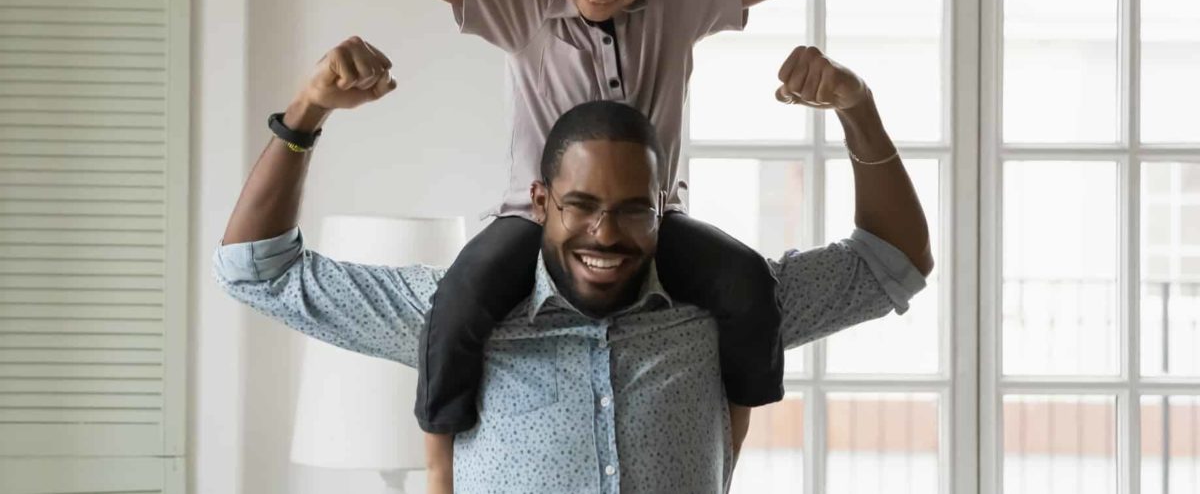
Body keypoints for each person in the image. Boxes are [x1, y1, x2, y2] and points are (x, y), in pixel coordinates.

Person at [215, 36, 934, 493]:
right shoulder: (453, 312)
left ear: (664, 205)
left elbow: (894, 262)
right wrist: (307, 111)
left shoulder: (723, 309)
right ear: (539, 200)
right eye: (580, 204)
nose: (604, 231)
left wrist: (857, 107)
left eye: (631, 208)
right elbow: (258, 270)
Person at [372, 0, 829, 466]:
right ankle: (440, 465)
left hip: (653, 221)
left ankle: (725, 451)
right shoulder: (523, 2)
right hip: (534, 222)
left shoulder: (677, 4)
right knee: (459, 301)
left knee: (747, 283)